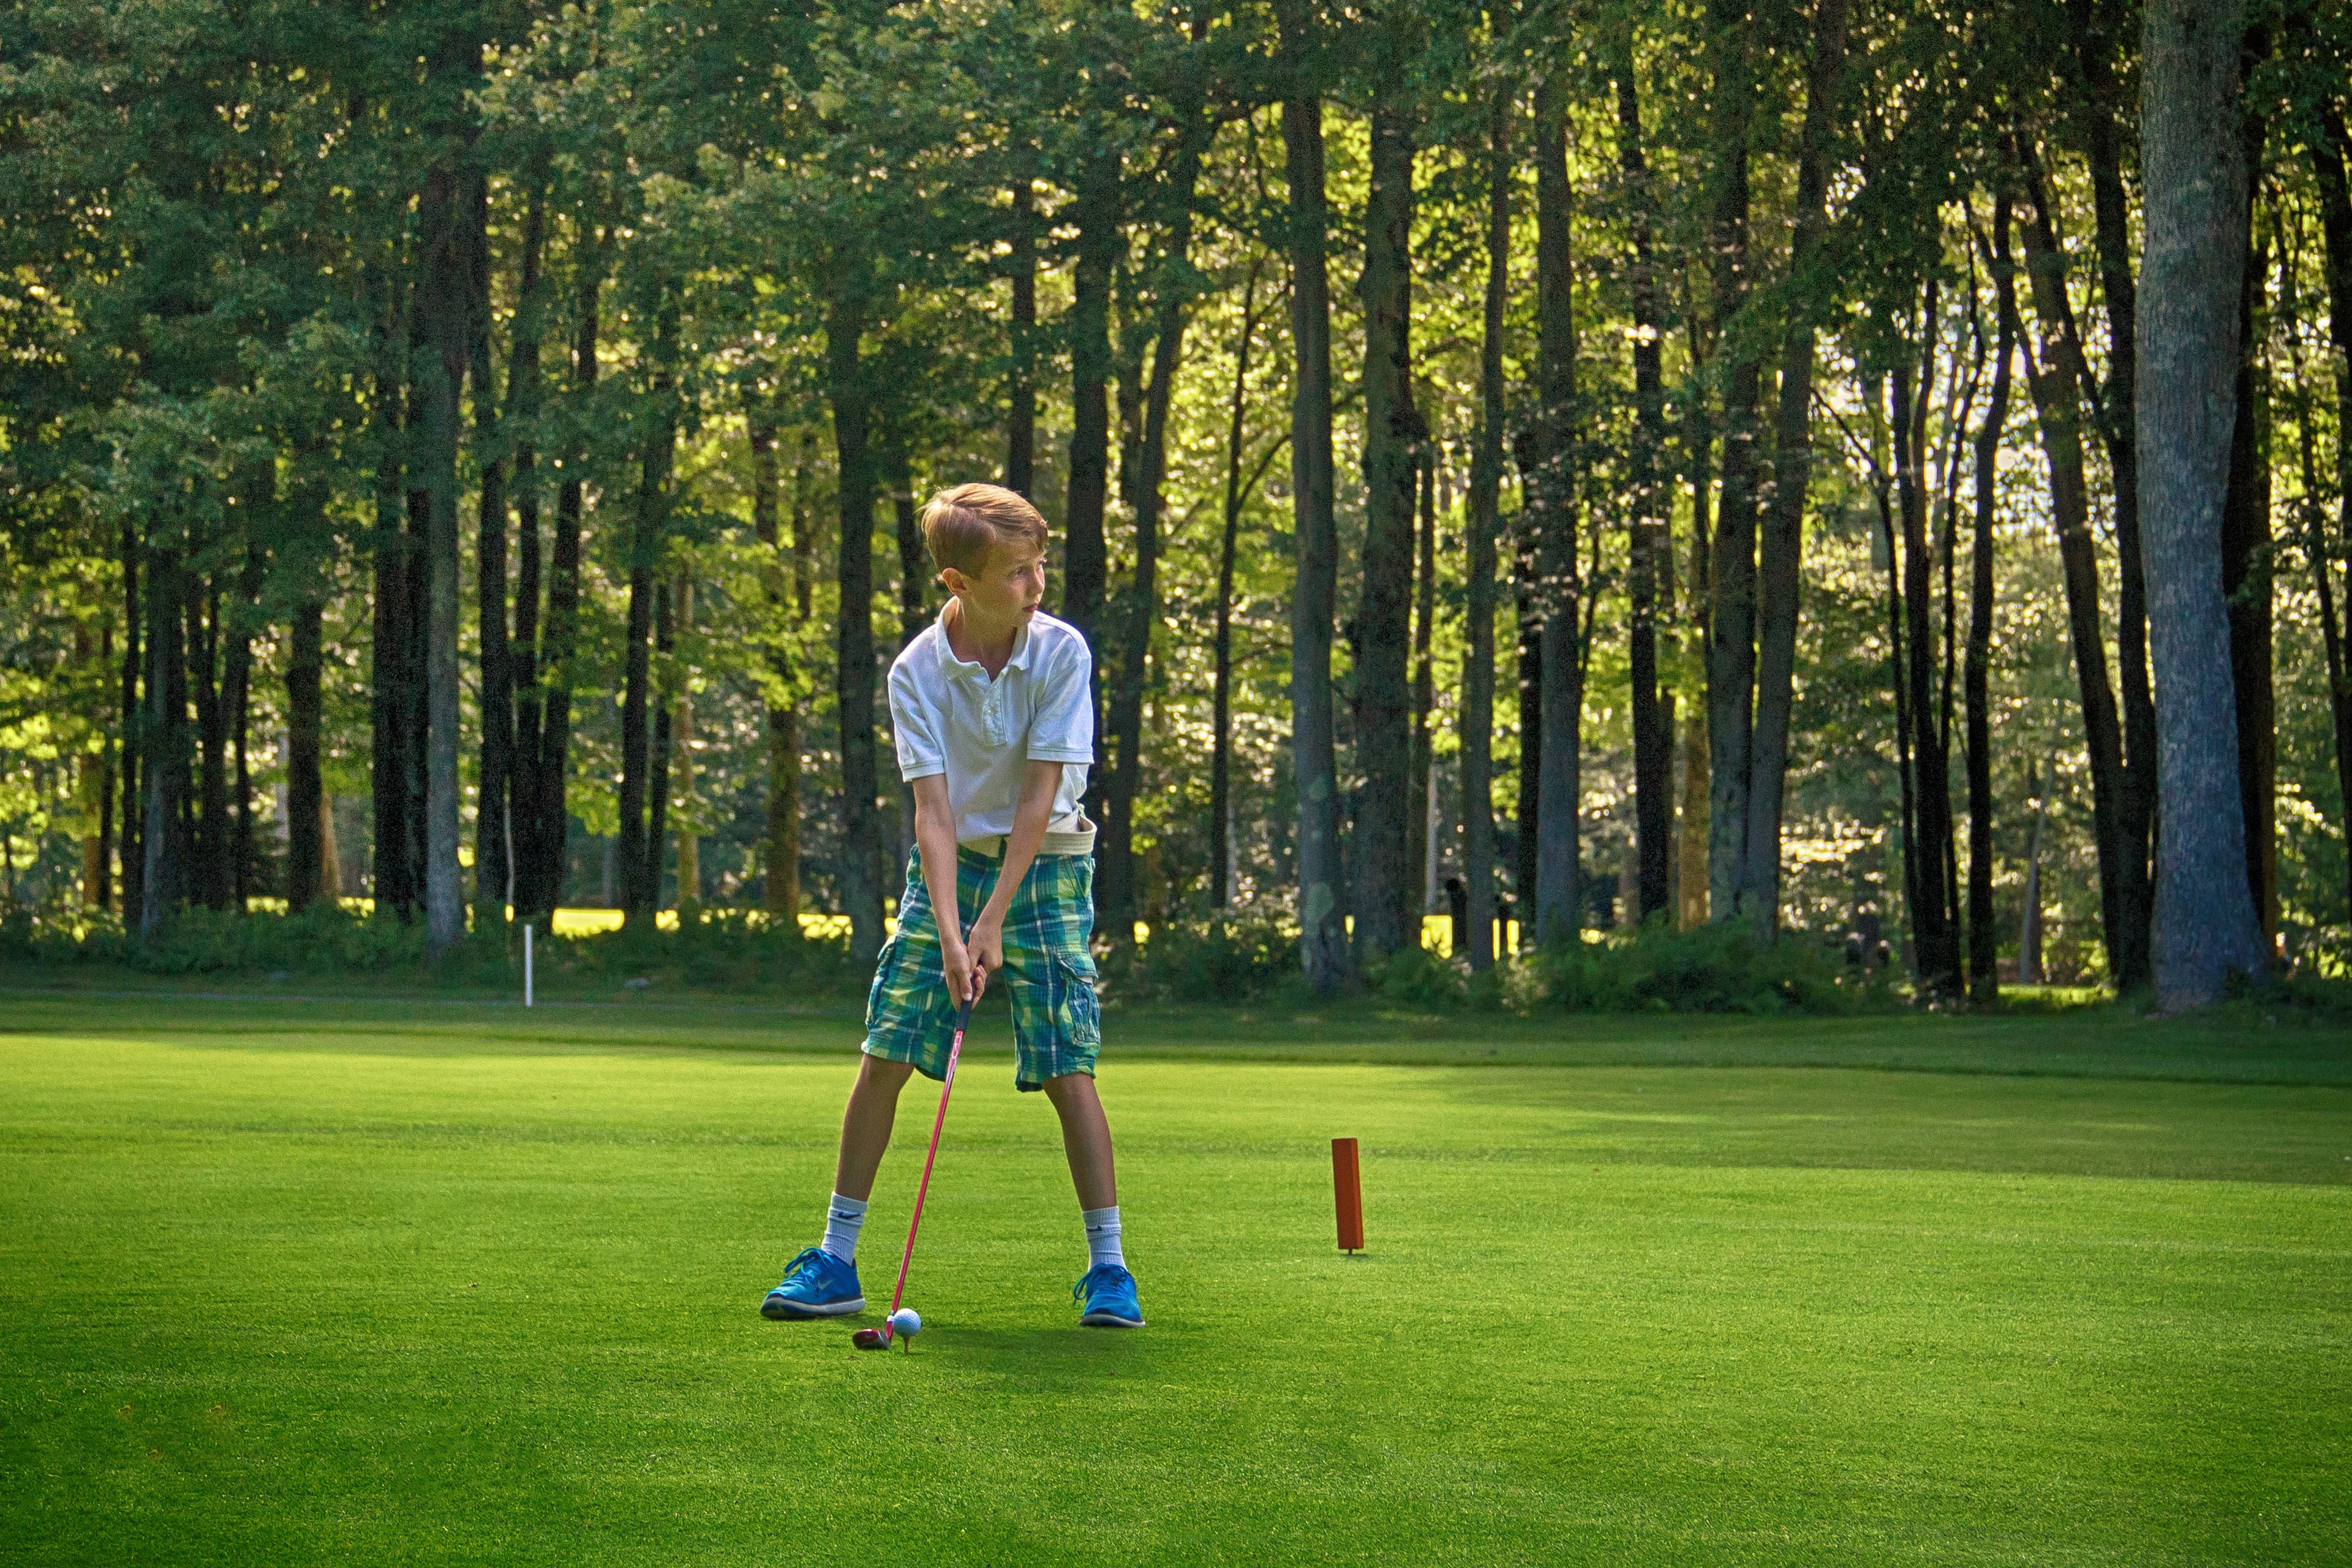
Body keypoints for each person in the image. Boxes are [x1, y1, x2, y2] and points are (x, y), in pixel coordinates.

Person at [761, 482, 1144, 1330]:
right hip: (948, 867)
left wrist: (993, 920)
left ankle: (1111, 1269)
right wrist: (948, 929)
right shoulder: (917, 673)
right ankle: (836, 1259)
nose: (1036, 586)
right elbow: (931, 814)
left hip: (1047, 867)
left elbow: (1040, 802)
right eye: (1015, 573)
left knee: (1066, 1063)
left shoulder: (1062, 654)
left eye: (1039, 567)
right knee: (887, 1048)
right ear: (955, 582)